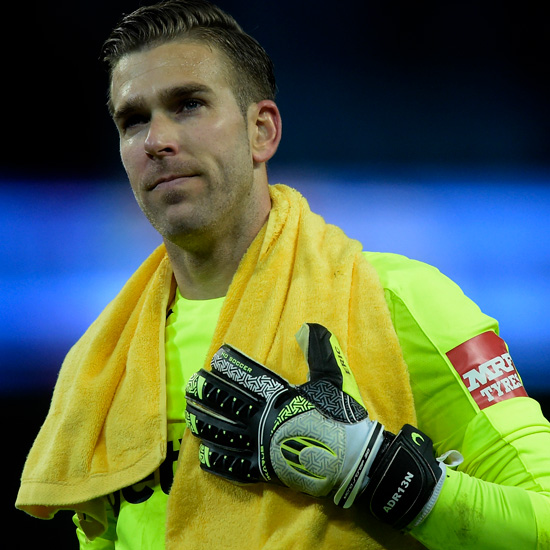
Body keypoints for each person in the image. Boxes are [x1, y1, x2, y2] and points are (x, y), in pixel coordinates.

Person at [16, 1, 550, 549]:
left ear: (262, 132)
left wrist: (373, 474)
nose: (157, 140)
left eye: (189, 104)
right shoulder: (105, 361)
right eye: (134, 121)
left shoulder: (400, 301)